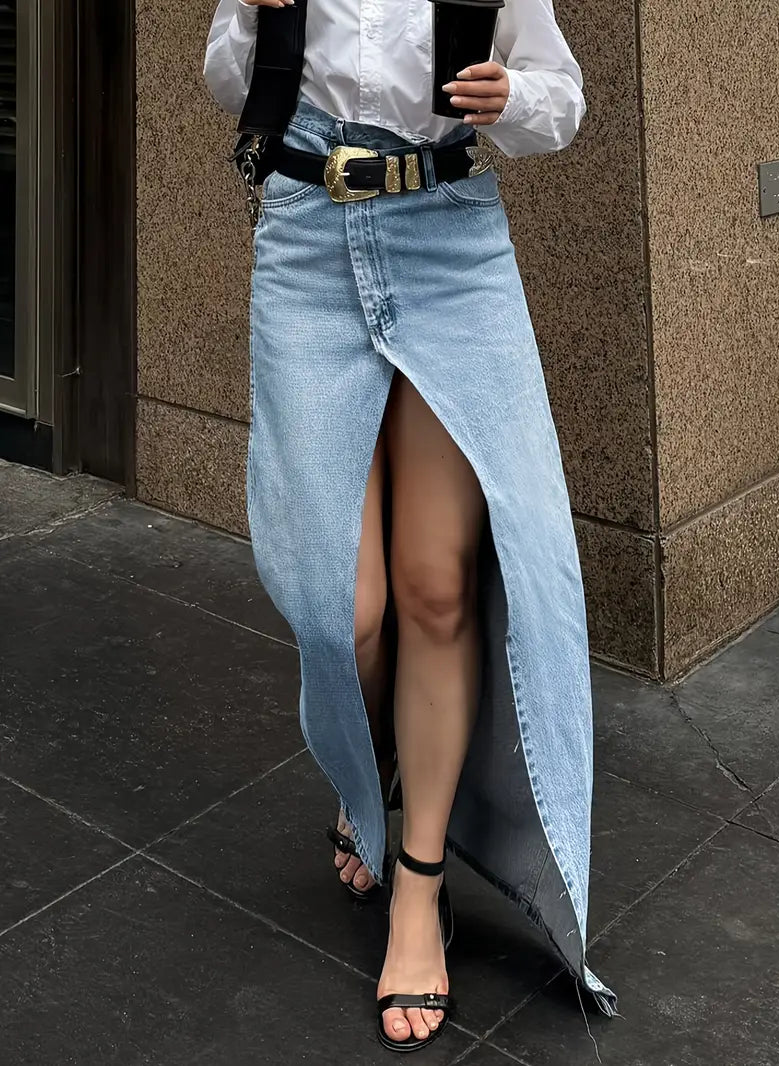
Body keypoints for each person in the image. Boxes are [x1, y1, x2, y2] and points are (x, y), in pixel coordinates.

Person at [204, 0, 617, 1052]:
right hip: (307, 236)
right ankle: (366, 778)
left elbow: (561, 100)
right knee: (340, 609)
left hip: (449, 244)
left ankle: (417, 884)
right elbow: (229, 82)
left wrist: (509, 98)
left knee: (436, 586)